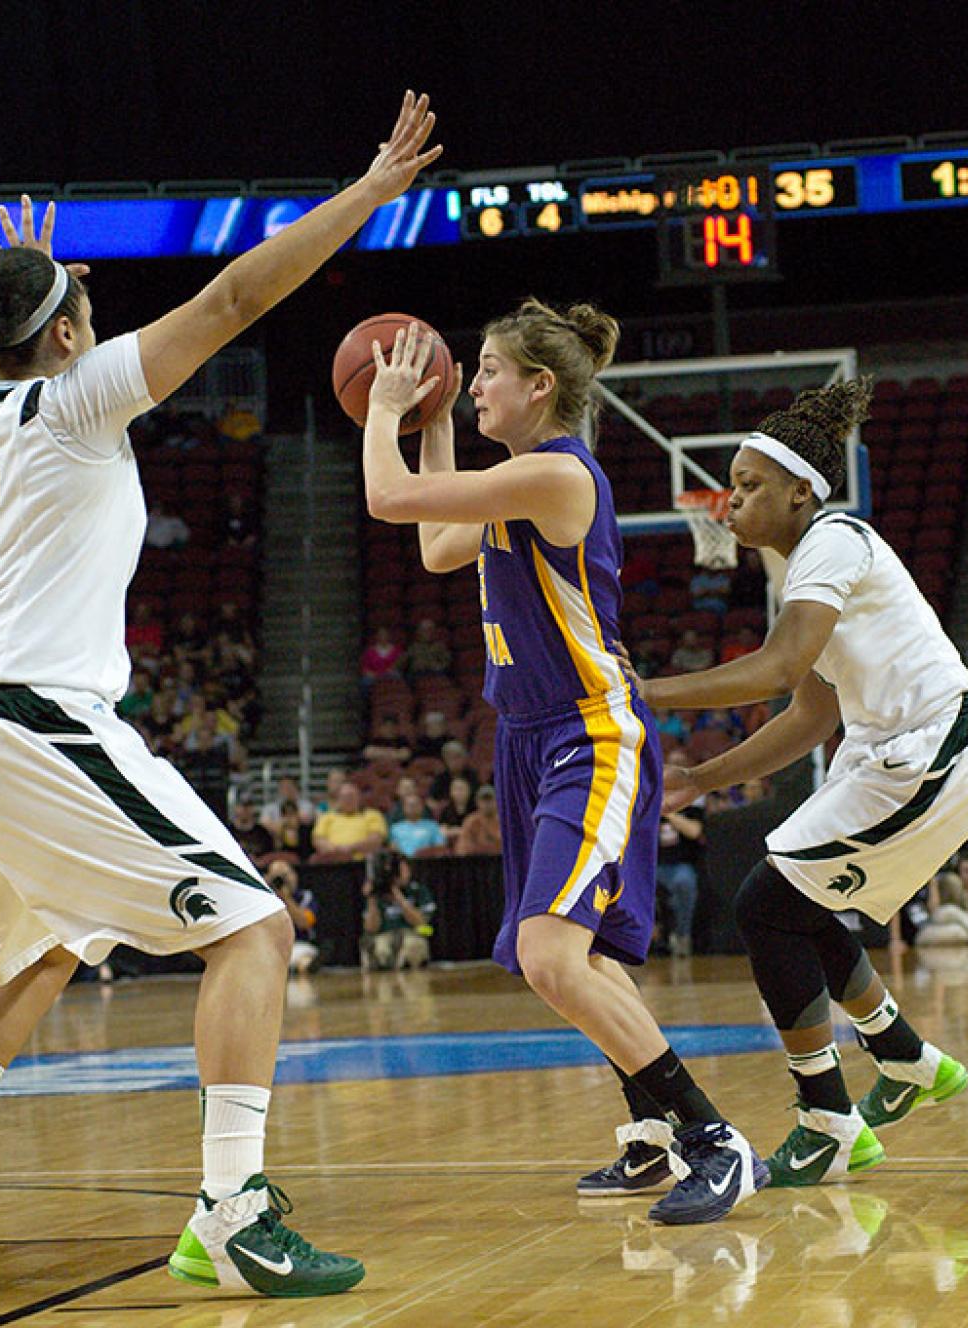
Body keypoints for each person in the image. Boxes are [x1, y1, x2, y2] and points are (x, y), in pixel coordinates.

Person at [0, 93, 438, 1297]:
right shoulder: (73, 400)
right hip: (23, 719)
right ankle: (232, 1208)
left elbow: (5, 331)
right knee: (255, 927)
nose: (97, 311)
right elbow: (232, 299)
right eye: (82, 301)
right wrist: (367, 196)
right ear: (68, 339)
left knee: (43, 938)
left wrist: (23, 267)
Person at [359, 305, 764, 1225]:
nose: (480, 384)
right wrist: (433, 427)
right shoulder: (513, 482)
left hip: (591, 734)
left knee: (549, 953)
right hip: (528, 736)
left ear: (541, 387)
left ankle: (714, 1140)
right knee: (573, 955)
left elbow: (389, 503)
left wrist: (384, 409)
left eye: (492, 370)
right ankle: (653, 1137)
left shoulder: (556, 476)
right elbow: (433, 546)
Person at [632, 378, 968, 1191]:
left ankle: (829, 1121)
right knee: (789, 903)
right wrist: (701, 776)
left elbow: (776, 669)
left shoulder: (835, 539)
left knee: (766, 904)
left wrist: (647, 693)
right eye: (729, 488)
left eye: (748, 485)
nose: (728, 503)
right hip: (905, 750)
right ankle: (904, 1061)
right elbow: (809, 713)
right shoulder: (805, 566)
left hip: (939, 743)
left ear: (803, 490)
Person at [359, 849, 434, 970]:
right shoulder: (377, 894)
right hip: (385, 935)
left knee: (413, 946)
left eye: (404, 869)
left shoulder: (418, 891)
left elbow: (421, 923)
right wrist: (371, 898)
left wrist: (399, 897)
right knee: (380, 948)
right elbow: (371, 928)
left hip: (412, 934)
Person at [655, 796, 706, 957]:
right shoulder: (645, 805)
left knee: (684, 882)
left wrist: (668, 813)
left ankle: (682, 935)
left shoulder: (691, 806)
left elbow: (695, 831)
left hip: (680, 864)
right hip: (651, 866)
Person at [266, 861, 320, 974]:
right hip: (271, 947)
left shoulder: (306, 897)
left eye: (285, 875)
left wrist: (286, 898)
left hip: (299, 943)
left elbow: (304, 923)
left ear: (294, 875)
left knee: (300, 958)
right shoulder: (264, 900)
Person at [313, 783, 388, 856]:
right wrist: (337, 850)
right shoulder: (327, 817)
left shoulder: (372, 815)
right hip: (332, 860)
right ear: (338, 800)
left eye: (351, 796)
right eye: (344, 797)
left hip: (362, 861)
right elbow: (318, 840)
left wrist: (352, 848)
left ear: (358, 797)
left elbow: (375, 840)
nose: (348, 800)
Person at [387, 790, 444, 857]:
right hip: (403, 862)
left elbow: (440, 847)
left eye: (416, 805)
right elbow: (392, 848)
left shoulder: (432, 826)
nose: (413, 808)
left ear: (422, 807)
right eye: (410, 805)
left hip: (426, 861)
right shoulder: (395, 828)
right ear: (404, 808)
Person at [456, 785, 502, 855]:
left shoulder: (504, 822)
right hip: (477, 862)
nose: (487, 804)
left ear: (496, 801)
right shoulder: (471, 822)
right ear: (478, 802)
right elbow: (462, 849)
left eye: (490, 800)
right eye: (484, 800)